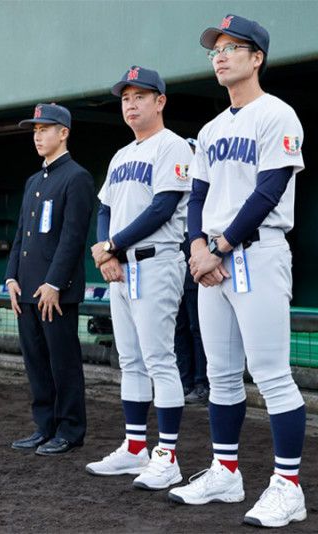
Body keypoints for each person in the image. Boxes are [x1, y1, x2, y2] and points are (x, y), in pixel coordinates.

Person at [168, 15, 307, 528]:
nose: (220, 55)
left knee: (272, 375)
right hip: (214, 263)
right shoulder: (209, 128)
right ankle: (226, 472)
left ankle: (289, 488)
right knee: (221, 377)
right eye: (215, 50)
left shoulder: (278, 114)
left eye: (232, 47)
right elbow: (199, 196)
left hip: (258, 253)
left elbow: (268, 190)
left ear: (257, 57)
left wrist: (219, 246)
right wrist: (198, 247)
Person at [86, 67, 192, 489]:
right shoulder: (121, 154)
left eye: (140, 97)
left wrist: (113, 246)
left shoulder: (173, 146)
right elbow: (104, 210)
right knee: (129, 360)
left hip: (156, 261)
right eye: (125, 98)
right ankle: (135, 449)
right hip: (122, 265)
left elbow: (162, 208)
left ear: (160, 102)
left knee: (159, 360)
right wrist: (105, 253)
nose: (130, 104)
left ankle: (168, 456)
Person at [6, 103, 94, 456]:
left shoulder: (77, 177)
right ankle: (44, 426)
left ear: (64, 133)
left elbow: (73, 238)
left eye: (45, 128)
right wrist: (11, 276)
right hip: (27, 289)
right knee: (37, 364)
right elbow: (21, 235)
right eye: (35, 130)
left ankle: (70, 429)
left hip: (55, 292)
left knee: (63, 363)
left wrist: (55, 283)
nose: (38, 135)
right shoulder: (33, 180)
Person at [175, 138, 209, 404]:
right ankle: (184, 381)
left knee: (197, 324)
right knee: (179, 324)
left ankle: (202, 383)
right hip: (174, 248)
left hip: (197, 245)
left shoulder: (204, 185)